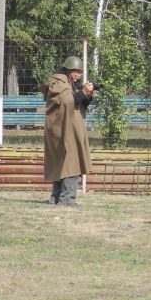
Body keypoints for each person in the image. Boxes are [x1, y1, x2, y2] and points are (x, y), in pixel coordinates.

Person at [39, 56, 94, 207]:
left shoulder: (68, 83)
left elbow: (76, 102)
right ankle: (67, 199)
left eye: (80, 72)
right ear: (68, 70)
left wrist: (87, 95)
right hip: (62, 129)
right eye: (76, 71)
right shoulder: (59, 83)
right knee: (71, 161)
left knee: (63, 162)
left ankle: (56, 198)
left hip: (68, 128)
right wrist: (82, 92)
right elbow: (67, 102)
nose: (78, 74)